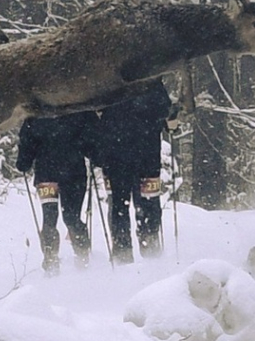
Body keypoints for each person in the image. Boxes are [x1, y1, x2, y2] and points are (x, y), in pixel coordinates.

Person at [94, 80, 173, 264]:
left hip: (124, 156)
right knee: (140, 204)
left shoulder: (110, 85)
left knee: (123, 205)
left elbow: (96, 118)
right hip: (138, 155)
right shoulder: (150, 82)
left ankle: (132, 253)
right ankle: (145, 249)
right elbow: (165, 111)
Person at [16, 111, 99, 274]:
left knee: (50, 217)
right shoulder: (78, 108)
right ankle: (82, 258)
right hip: (73, 173)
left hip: (47, 173)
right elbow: (90, 139)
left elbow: (27, 140)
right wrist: (96, 155)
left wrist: (24, 161)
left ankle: (51, 259)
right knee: (71, 217)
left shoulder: (38, 112)